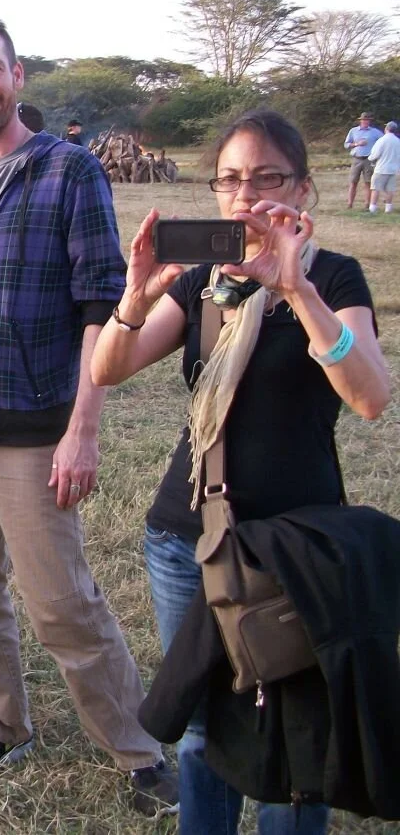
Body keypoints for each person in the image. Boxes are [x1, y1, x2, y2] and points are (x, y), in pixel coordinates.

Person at [0, 17, 178, 814]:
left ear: (17, 76)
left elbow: (99, 306)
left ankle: (140, 752)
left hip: (30, 428)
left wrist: (82, 429)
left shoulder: (69, 171)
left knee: (62, 603)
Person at [90, 108, 390, 833]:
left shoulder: (334, 278)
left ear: (304, 189)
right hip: (188, 539)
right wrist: (133, 302)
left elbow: (370, 396)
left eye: (267, 178)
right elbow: (109, 369)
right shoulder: (202, 281)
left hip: (295, 547)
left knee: (300, 734)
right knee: (202, 729)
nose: (246, 196)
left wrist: (296, 289)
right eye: (230, 180)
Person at [343, 111, 382, 209]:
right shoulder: (353, 131)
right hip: (357, 159)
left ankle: (367, 204)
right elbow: (346, 144)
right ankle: (350, 204)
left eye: (367, 120)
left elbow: (383, 141)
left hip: (369, 159)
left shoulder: (375, 132)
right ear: (360, 121)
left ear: (370, 121)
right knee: (353, 182)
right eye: (364, 120)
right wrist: (356, 144)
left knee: (368, 182)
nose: (365, 121)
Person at [367, 119, 400, 213]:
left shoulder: (382, 140)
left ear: (387, 129)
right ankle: (388, 208)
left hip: (381, 168)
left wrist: (370, 158)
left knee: (375, 188)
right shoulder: (398, 141)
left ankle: (372, 208)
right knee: (390, 189)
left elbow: (375, 154)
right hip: (393, 169)